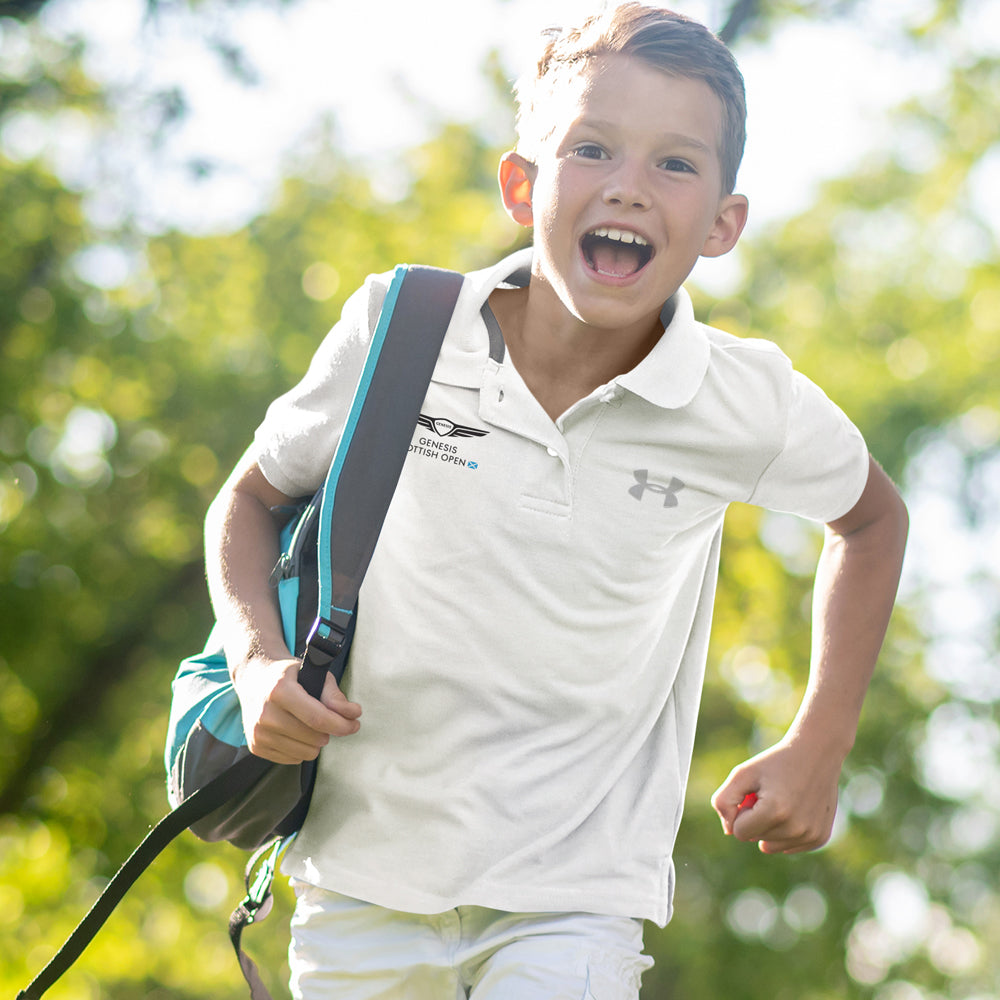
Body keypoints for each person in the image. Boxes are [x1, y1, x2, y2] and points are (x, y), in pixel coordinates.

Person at [204, 5, 909, 998]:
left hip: (574, 896)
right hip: (358, 885)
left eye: (674, 163)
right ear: (520, 183)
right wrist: (254, 663)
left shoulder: (739, 400)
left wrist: (818, 744)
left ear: (722, 223)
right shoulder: (399, 329)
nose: (626, 184)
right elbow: (250, 498)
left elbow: (871, 518)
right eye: (591, 147)